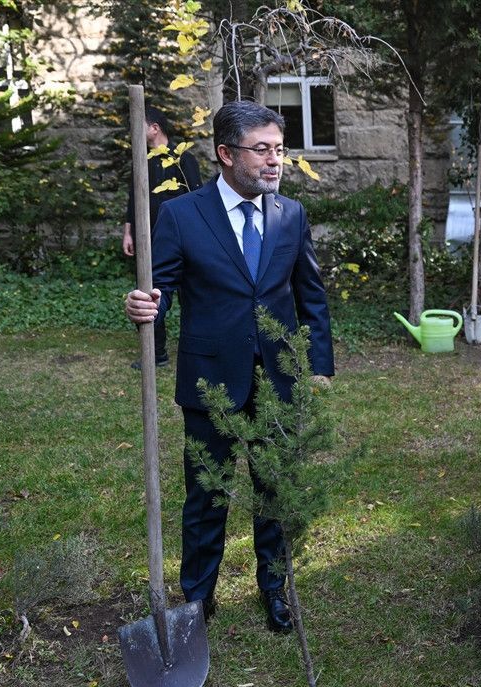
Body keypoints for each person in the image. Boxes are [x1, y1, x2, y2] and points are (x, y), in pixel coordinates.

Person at [124, 102, 334, 632]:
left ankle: (275, 588)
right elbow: (161, 288)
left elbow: (311, 296)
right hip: (211, 378)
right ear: (225, 153)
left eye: (279, 149)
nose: (274, 160)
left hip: (277, 378)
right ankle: (197, 598)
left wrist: (318, 366)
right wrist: (146, 305)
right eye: (261, 150)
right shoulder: (182, 215)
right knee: (206, 494)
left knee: (274, 488)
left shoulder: (290, 214)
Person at [123, 104, 203, 368]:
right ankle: (157, 353)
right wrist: (128, 232)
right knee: (148, 294)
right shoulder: (141, 160)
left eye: (138, 127)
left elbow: (197, 199)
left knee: (190, 295)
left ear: (155, 128)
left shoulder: (183, 160)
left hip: (183, 242)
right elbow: (133, 198)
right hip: (148, 242)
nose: (132, 133)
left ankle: (197, 348)